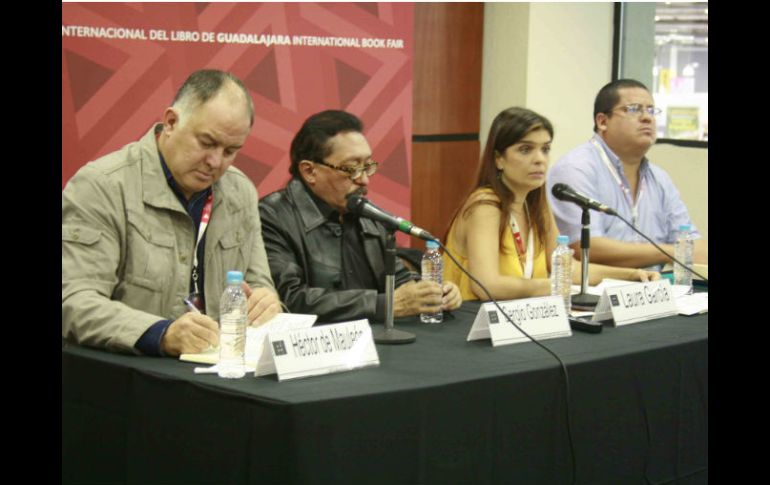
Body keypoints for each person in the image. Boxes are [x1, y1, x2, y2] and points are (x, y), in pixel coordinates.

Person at [62, 69, 282, 357]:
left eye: (231, 151)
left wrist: (267, 302)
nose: (215, 161)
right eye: (206, 143)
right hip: (132, 378)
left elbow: (258, 284)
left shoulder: (240, 191)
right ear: (171, 122)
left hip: (221, 374)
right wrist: (161, 333)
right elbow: (74, 300)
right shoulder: (103, 185)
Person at [259, 110, 462, 322]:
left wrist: (432, 293)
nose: (364, 180)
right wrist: (384, 305)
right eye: (351, 168)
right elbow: (290, 300)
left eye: (367, 166)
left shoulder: (366, 213)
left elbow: (399, 281)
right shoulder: (272, 216)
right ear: (310, 171)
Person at [443, 107, 658, 302]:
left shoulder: (535, 202)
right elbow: (486, 286)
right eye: (526, 149)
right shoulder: (485, 206)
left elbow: (567, 269)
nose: (540, 159)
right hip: (473, 325)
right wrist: (554, 286)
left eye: (545, 149)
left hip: (524, 318)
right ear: (499, 159)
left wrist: (631, 275)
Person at [547, 79, 708, 270]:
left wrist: (680, 250)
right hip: (594, 294)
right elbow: (584, 247)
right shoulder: (576, 168)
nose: (647, 118)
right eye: (633, 109)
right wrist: (671, 252)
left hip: (650, 291)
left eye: (651, 110)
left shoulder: (659, 178)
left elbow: (694, 245)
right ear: (602, 121)